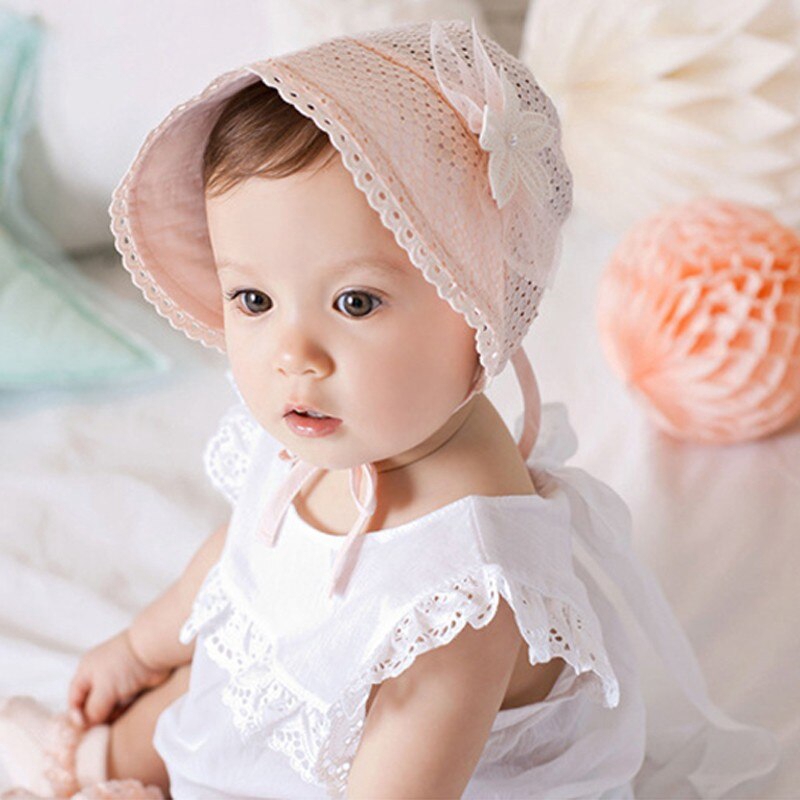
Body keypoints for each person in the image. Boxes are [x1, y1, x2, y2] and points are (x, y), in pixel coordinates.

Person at [0, 18, 780, 800]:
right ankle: (98, 759)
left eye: (355, 301)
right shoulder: (352, 417)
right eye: (254, 299)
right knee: (230, 673)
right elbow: (243, 560)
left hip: (406, 776)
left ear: (475, 298)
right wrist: (139, 649)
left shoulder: (460, 587)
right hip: (315, 701)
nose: (293, 354)